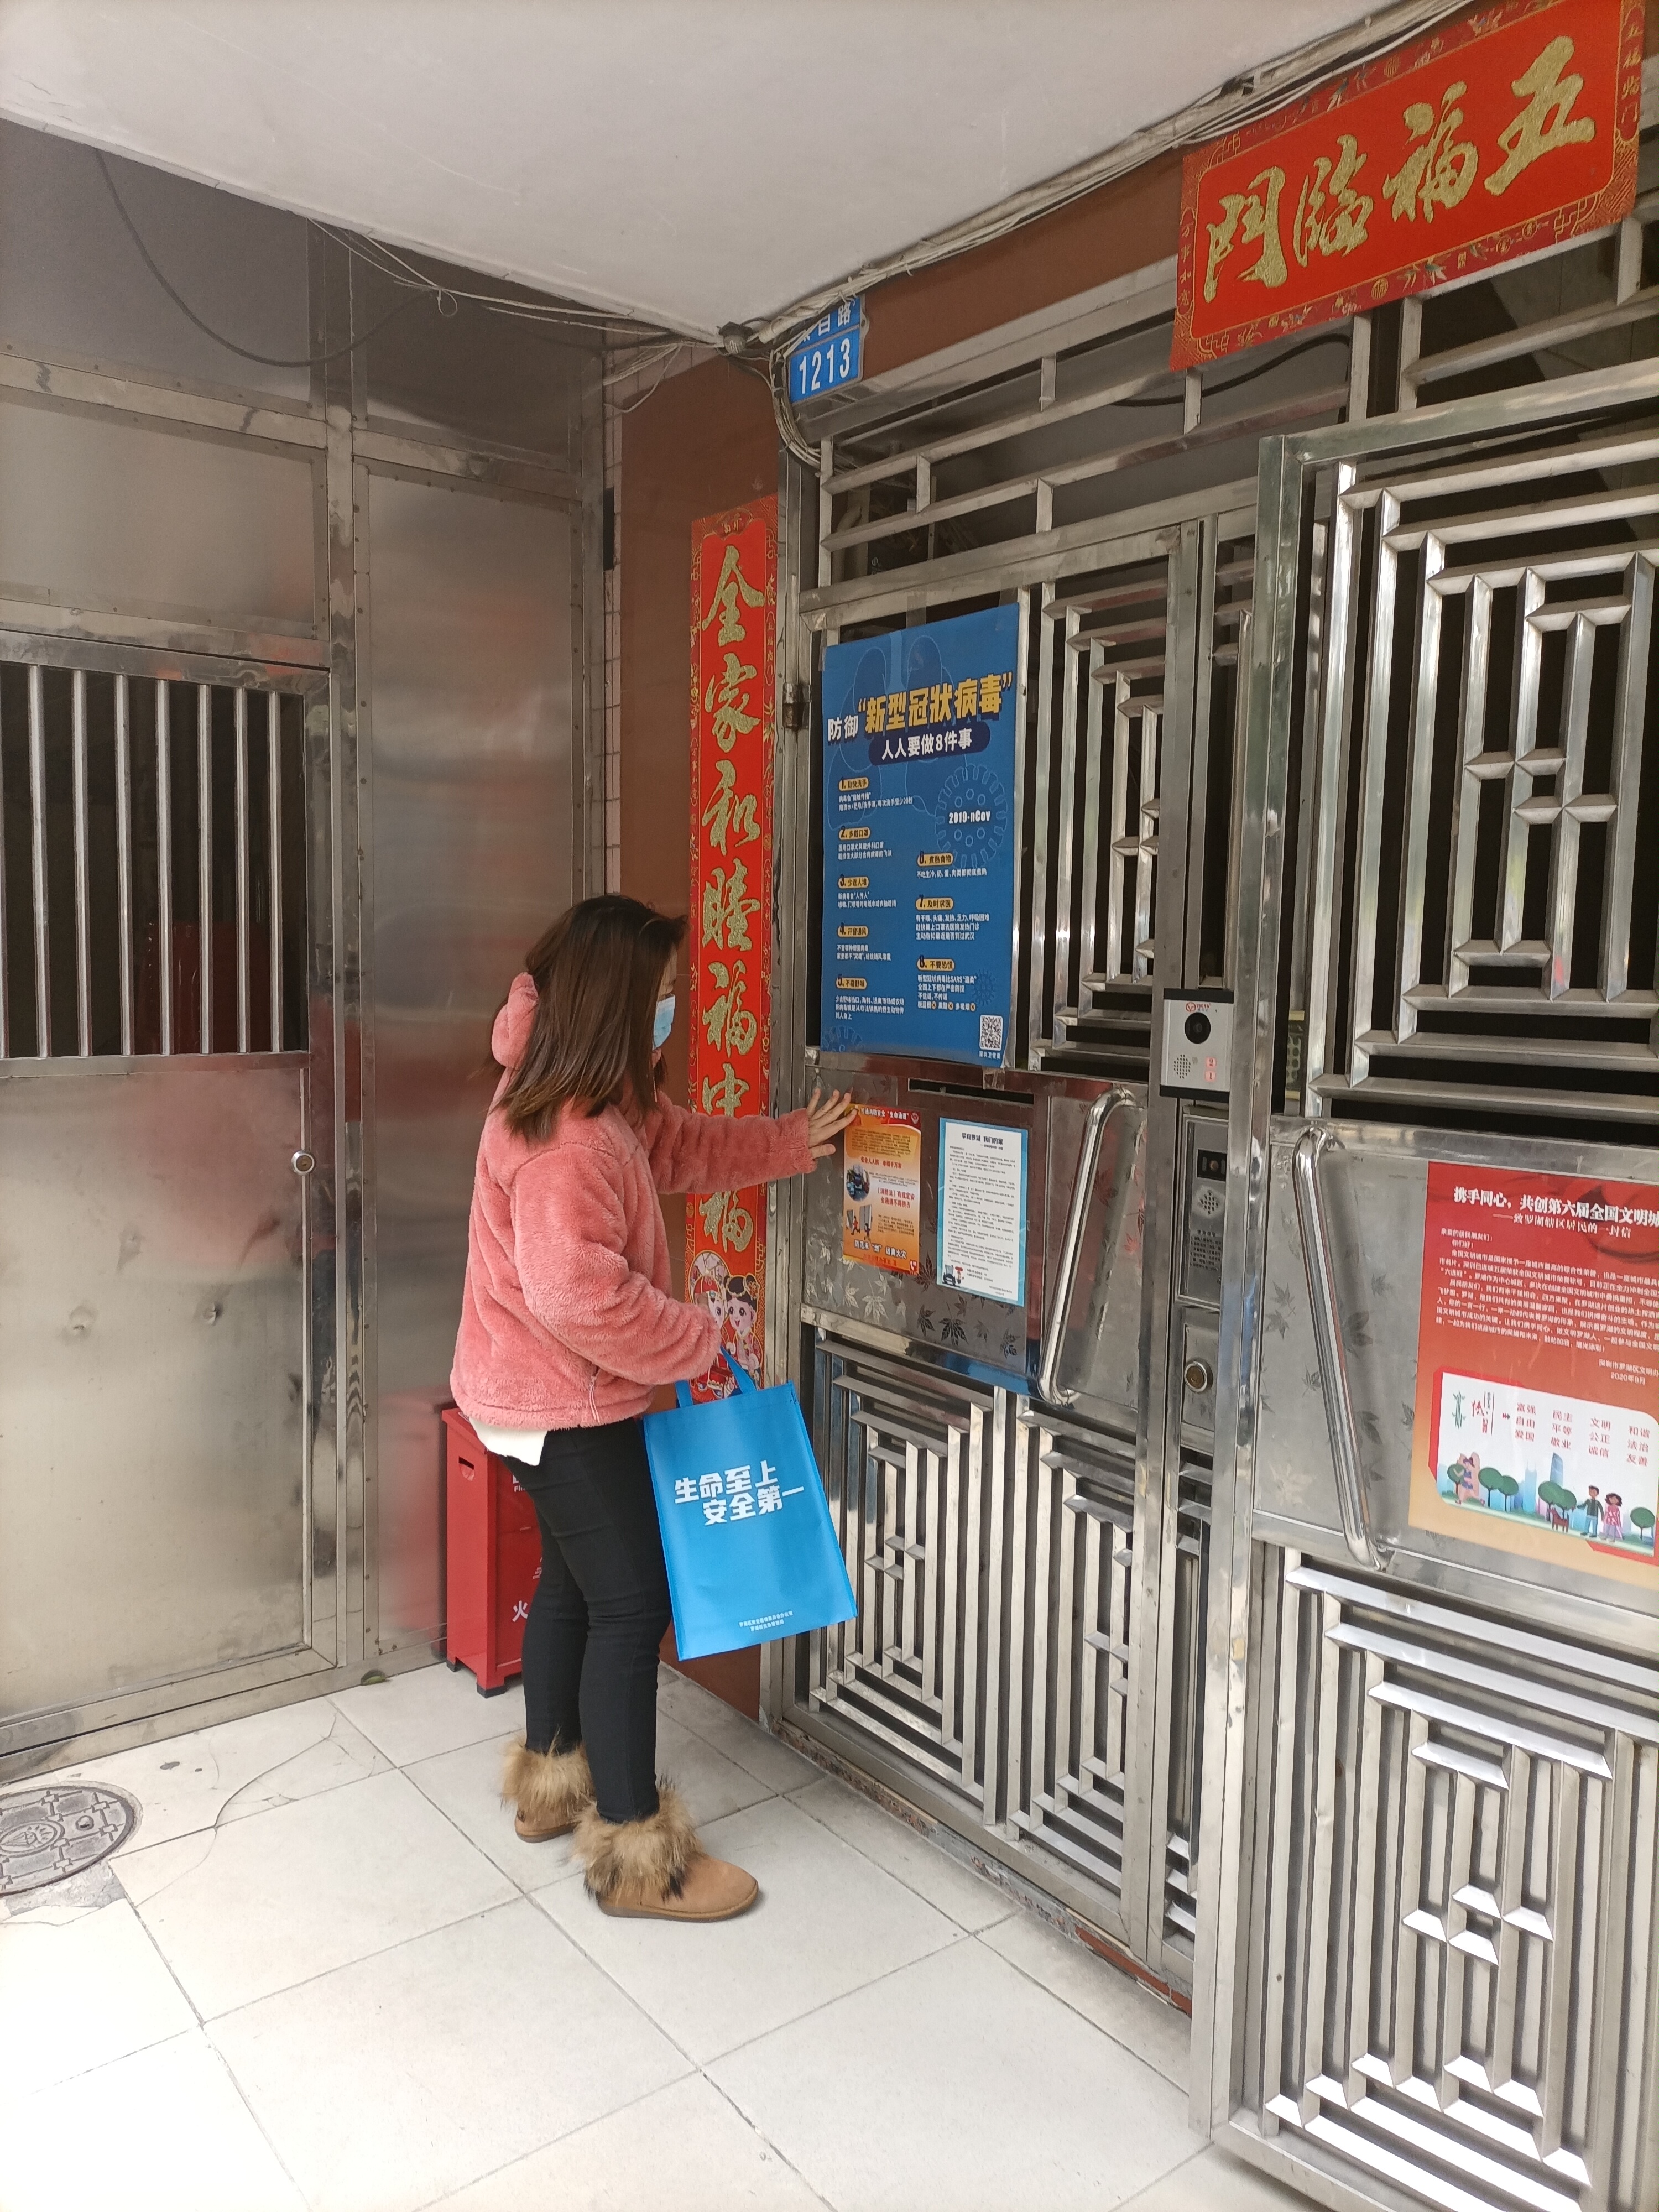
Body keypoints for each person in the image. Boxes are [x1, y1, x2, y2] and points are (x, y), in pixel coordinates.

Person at [450, 896, 855, 1923]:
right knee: (632, 1604)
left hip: (530, 1397)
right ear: (616, 1001)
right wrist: (696, 1338)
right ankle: (639, 1860)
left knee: (574, 1585)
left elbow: (679, 1151)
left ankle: (550, 1789)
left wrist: (788, 1142)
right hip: (562, 1406)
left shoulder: (587, 1091)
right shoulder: (570, 1139)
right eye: (664, 993)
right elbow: (579, 1297)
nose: (673, 1007)